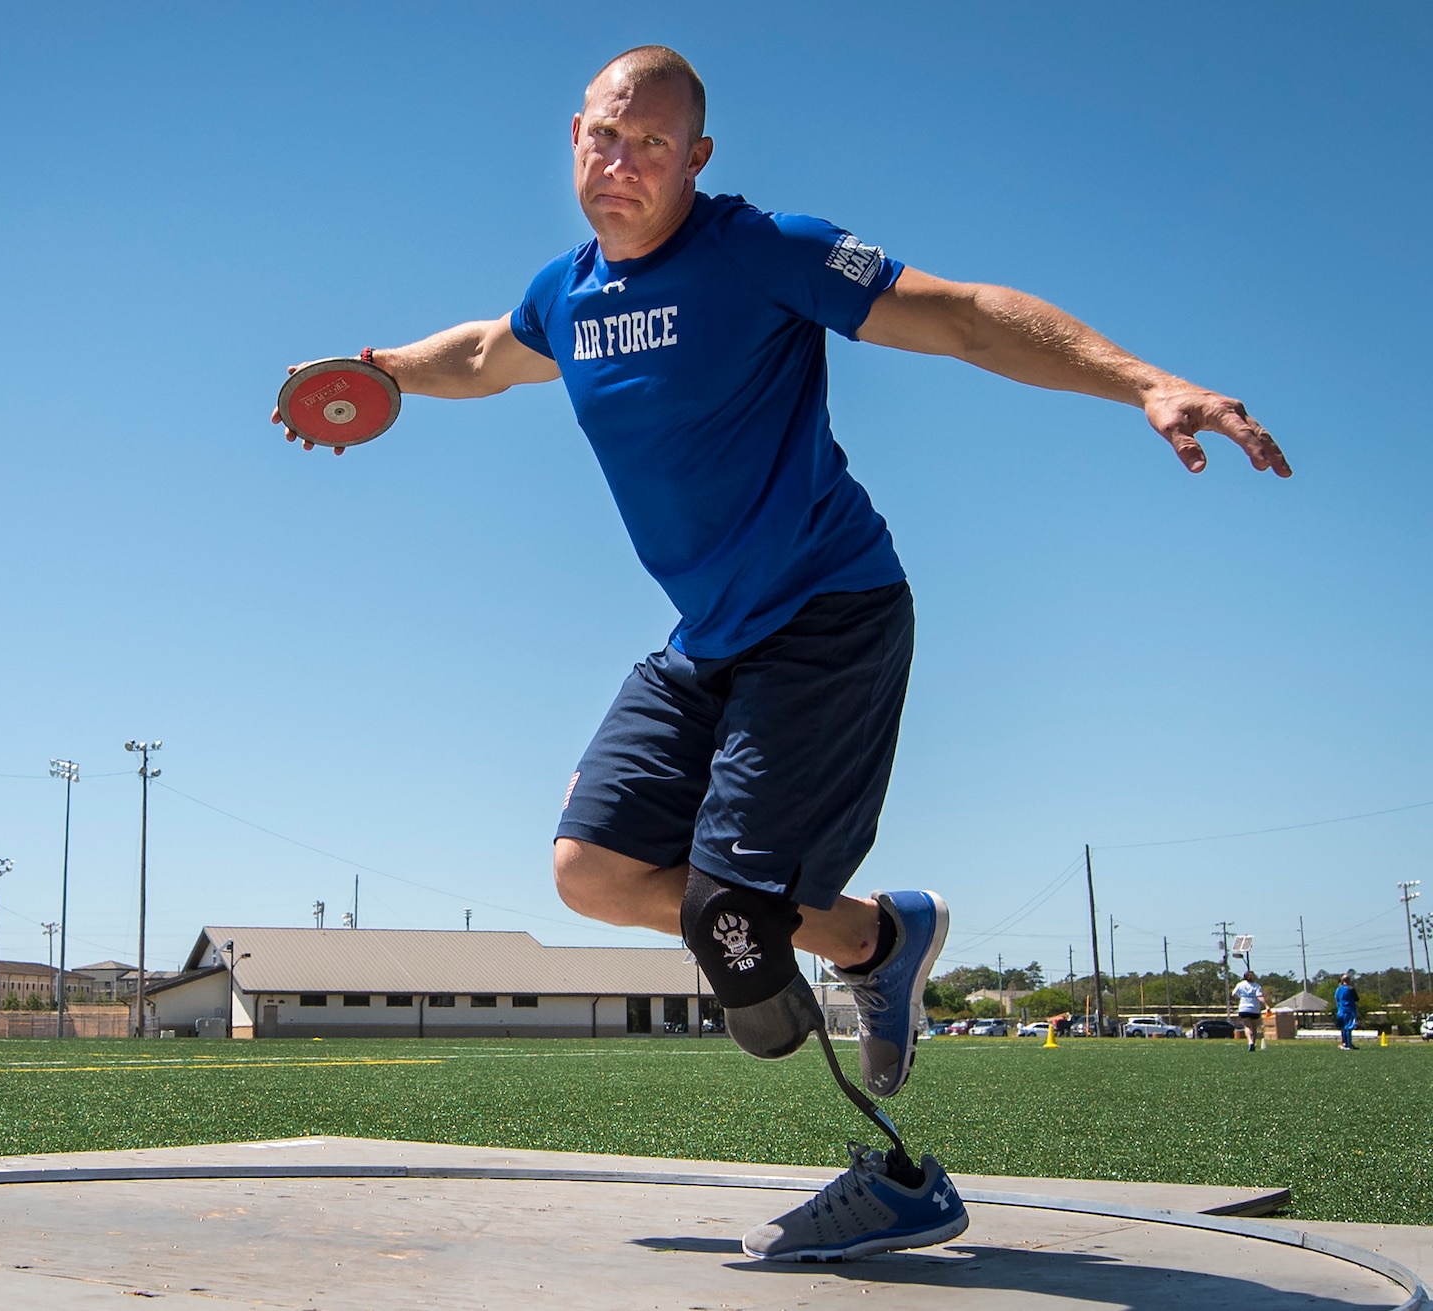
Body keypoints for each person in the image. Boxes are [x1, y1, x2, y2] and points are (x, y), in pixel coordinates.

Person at [273, 45, 1288, 1261]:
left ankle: (899, 1176)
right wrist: (380, 370)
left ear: (695, 160)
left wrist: (1142, 383)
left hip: (826, 616)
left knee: (732, 930)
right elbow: (490, 354)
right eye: (603, 135)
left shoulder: (759, 251)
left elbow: (960, 317)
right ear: (574, 138)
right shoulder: (565, 293)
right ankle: (873, 939)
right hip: (705, 644)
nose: (621, 163)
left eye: (651, 145)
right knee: (590, 872)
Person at [1232, 970, 1267, 1051]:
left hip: (1244, 1008)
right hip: (1254, 1009)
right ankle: (1253, 1043)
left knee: (1247, 1027)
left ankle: (1250, 1042)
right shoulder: (1256, 986)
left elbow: (1234, 994)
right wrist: (1266, 1005)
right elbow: (1259, 996)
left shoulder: (1240, 984)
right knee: (1254, 1027)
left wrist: (1240, 997)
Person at [1335, 972, 1360, 1049]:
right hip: (1349, 1010)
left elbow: (1336, 998)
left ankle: (1344, 1043)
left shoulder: (1338, 989)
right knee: (1348, 1027)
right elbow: (1356, 999)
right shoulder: (1351, 989)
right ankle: (1349, 1044)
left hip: (1340, 1011)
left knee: (1342, 1028)